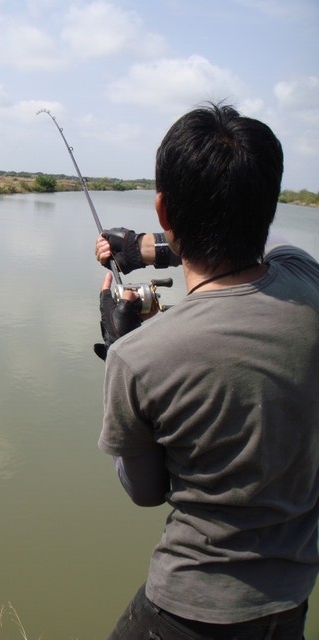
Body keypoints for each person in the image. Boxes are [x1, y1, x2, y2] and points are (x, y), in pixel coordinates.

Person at [94, 103, 319, 639]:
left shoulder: (139, 358)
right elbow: (266, 254)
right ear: (270, 200)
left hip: (189, 609)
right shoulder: (308, 282)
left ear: (163, 209)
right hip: (289, 603)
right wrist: (153, 249)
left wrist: (123, 339)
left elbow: (144, 490)